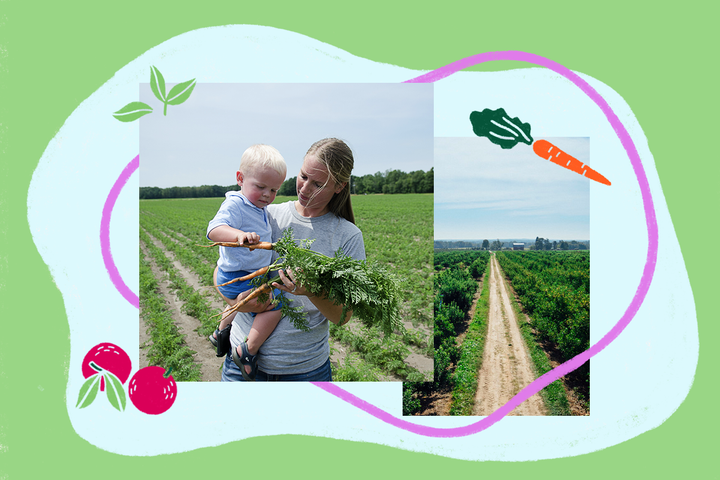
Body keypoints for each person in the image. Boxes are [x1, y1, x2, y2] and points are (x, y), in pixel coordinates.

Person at [221, 137, 365, 382]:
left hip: (302, 370)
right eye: (303, 176)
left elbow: (343, 316)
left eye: (318, 184)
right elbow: (224, 269)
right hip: (239, 362)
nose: (305, 189)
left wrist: (310, 291)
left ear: (339, 187)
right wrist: (239, 301)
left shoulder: (347, 236)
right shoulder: (266, 213)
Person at [206, 144, 286, 381]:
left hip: (243, 273)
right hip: (237, 276)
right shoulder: (236, 204)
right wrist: (238, 236)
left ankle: (220, 333)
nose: (267, 195)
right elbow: (213, 230)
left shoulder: (258, 206)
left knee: (246, 300)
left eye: (274, 190)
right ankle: (247, 350)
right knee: (275, 305)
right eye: (260, 187)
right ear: (240, 179)